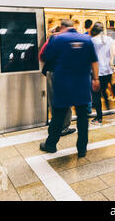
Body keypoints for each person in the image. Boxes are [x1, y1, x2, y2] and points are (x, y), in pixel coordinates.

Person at [39, 19, 100, 158]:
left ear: (62, 27)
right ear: (74, 27)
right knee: (83, 118)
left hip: (63, 84)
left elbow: (43, 56)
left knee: (58, 116)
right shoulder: (87, 39)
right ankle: (82, 149)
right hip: (82, 85)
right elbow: (94, 61)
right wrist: (96, 79)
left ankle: (51, 145)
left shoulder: (58, 39)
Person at [39, 21, 76, 137]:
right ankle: (64, 127)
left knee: (53, 100)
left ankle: (55, 125)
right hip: (66, 73)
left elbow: (42, 55)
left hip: (51, 71)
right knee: (67, 101)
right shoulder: (76, 38)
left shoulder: (52, 38)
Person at [90, 22, 115, 125]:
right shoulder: (109, 39)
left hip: (97, 72)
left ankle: (99, 118)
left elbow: (91, 58)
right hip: (108, 70)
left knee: (96, 95)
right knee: (104, 90)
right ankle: (108, 109)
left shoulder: (92, 41)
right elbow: (113, 54)